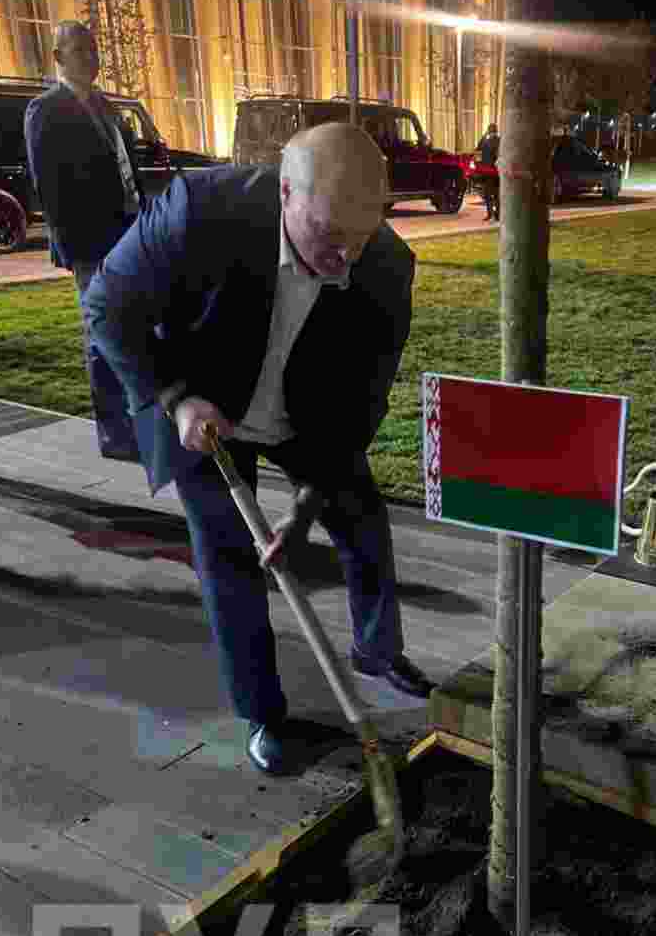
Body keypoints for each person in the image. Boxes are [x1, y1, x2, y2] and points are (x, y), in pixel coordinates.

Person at [82, 123, 435, 776]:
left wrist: (305, 506)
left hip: (305, 416)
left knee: (361, 519)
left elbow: (361, 402)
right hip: (203, 407)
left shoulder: (385, 267)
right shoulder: (200, 212)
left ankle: (376, 649)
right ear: (286, 193)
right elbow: (106, 306)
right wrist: (176, 398)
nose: (345, 257)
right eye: (330, 234)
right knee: (228, 554)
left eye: (361, 236)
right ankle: (263, 713)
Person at [24, 21, 144, 461]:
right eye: (79, 50)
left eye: (93, 49)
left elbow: (123, 166)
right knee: (101, 334)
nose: (91, 58)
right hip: (89, 244)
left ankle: (139, 420)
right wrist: (73, 249)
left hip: (127, 233)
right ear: (58, 58)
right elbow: (49, 186)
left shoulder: (104, 104)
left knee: (130, 328)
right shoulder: (45, 110)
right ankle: (115, 434)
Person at [475, 122, 500, 221]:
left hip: (487, 171)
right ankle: (497, 215)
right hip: (497, 172)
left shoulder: (485, 141)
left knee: (488, 194)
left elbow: (477, 150)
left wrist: (484, 135)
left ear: (489, 131)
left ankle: (490, 214)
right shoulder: (501, 141)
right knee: (497, 194)